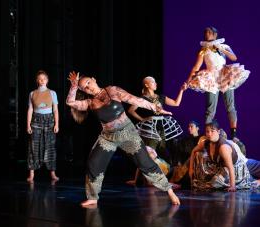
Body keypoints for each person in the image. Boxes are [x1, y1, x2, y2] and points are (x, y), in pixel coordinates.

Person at [65, 71, 180, 207]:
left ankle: (169, 190)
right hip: (108, 136)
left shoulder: (112, 90)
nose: (88, 87)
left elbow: (136, 100)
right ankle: (93, 197)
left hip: (128, 133)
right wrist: (73, 86)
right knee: (94, 163)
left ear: (94, 79)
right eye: (84, 87)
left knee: (145, 162)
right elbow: (70, 102)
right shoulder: (90, 103)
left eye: (88, 82)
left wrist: (156, 107)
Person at [186, 26, 250, 139]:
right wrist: (188, 80)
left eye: (209, 32)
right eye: (205, 32)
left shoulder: (223, 46)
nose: (207, 34)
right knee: (210, 108)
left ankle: (234, 135)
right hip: (211, 78)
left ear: (215, 34)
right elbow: (196, 66)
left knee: (230, 106)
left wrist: (221, 48)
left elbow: (234, 57)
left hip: (224, 75)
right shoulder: (203, 50)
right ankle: (207, 134)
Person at [128, 76, 187, 163]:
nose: (156, 84)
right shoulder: (142, 99)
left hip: (160, 127)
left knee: (162, 150)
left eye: (155, 82)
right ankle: (147, 173)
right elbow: (131, 110)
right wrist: (142, 119)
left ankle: (163, 171)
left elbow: (176, 103)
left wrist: (181, 90)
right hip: (150, 128)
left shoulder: (161, 97)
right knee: (151, 152)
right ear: (147, 85)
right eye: (153, 82)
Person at [188, 120, 254, 191]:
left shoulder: (223, 147)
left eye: (212, 131)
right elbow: (194, 151)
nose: (209, 134)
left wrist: (232, 186)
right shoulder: (206, 143)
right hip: (219, 167)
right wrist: (191, 169)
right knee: (199, 154)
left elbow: (230, 167)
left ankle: (256, 181)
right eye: (207, 131)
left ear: (218, 132)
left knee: (215, 183)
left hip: (235, 170)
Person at [27, 70, 59, 183]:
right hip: (36, 120)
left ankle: (53, 173)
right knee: (34, 146)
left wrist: (57, 124)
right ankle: (32, 173)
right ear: (37, 80)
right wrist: (28, 125)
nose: (42, 81)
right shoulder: (32, 93)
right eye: (40, 79)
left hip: (49, 120)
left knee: (50, 146)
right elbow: (30, 109)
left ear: (47, 80)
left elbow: (55, 110)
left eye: (44, 79)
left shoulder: (52, 93)